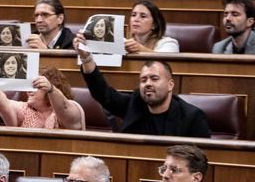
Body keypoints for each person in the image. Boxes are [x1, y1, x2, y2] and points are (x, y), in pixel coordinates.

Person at [75, 39, 212, 137]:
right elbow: (103, 94)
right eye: (143, 79)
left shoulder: (192, 117)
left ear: (170, 85)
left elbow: (201, 159)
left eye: (154, 78)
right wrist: (86, 58)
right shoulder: (135, 103)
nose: (148, 83)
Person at [0, 67, 85, 130]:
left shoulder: (72, 107)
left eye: (35, 86)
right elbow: (4, 105)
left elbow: (64, 108)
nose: (29, 91)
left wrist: (51, 90)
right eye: (28, 86)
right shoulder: (25, 109)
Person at [0, 0, 73, 50]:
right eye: (36, 15)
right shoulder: (28, 38)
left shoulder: (72, 42)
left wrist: (46, 51)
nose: (39, 20)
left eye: (45, 15)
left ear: (60, 19)